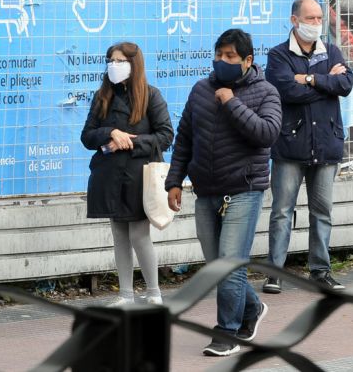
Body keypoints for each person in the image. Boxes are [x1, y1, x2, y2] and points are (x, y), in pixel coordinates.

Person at [165, 28, 282, 356]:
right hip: (206, 192)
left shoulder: (266, 92)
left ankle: (226, 332)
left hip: (244, 190)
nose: (222, 61)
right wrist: (174, 181)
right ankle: (252, 308)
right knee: (218, 266)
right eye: (218, 55)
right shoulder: (201, 90)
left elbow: (267, 134)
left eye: (230, 56)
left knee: (230, 263)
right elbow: (184, 138)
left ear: (247, 60)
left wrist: (232, 103)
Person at [262, 0, 353, 295]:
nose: (316, 24)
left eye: (319, 18)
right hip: (290, 144)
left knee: (322, 211)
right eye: (310, 18)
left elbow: (346, 84)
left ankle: (321, 271)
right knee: (282, 211)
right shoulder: (278, 55)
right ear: (294, 20)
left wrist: (310, 78)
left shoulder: (332, 51)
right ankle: (274, 273)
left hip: (327, 144)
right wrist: (326, 84)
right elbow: (286, 91)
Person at [81, 42, 173, 306]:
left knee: (139, 235)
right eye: (111, 60)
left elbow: (165, 135)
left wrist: (130, 142)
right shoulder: (102, 96)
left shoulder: (151, 95)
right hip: (109, 177)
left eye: (120, 61)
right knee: (119, 235)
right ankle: (125, 294)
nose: (114, 65)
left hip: (138, 177)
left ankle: (153, 291)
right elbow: (87, 136)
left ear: (134, 64)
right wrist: (110, 133)